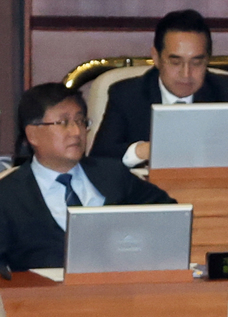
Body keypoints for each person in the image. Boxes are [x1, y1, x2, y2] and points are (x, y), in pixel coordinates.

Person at [0, 83, 175, 273]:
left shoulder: (113, 175)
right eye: (64, 122)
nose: (77, 132)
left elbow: (169, 215)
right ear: (32, 134)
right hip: (42, 290)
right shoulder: (8, 196)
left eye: (81, 121)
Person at [89, 9, 228, 167]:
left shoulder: (227, 92)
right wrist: (142, 151)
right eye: (176, 62)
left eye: (196, 63)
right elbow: (99, 160)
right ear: (156, 58)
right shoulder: (127, 95)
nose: (186, 73)